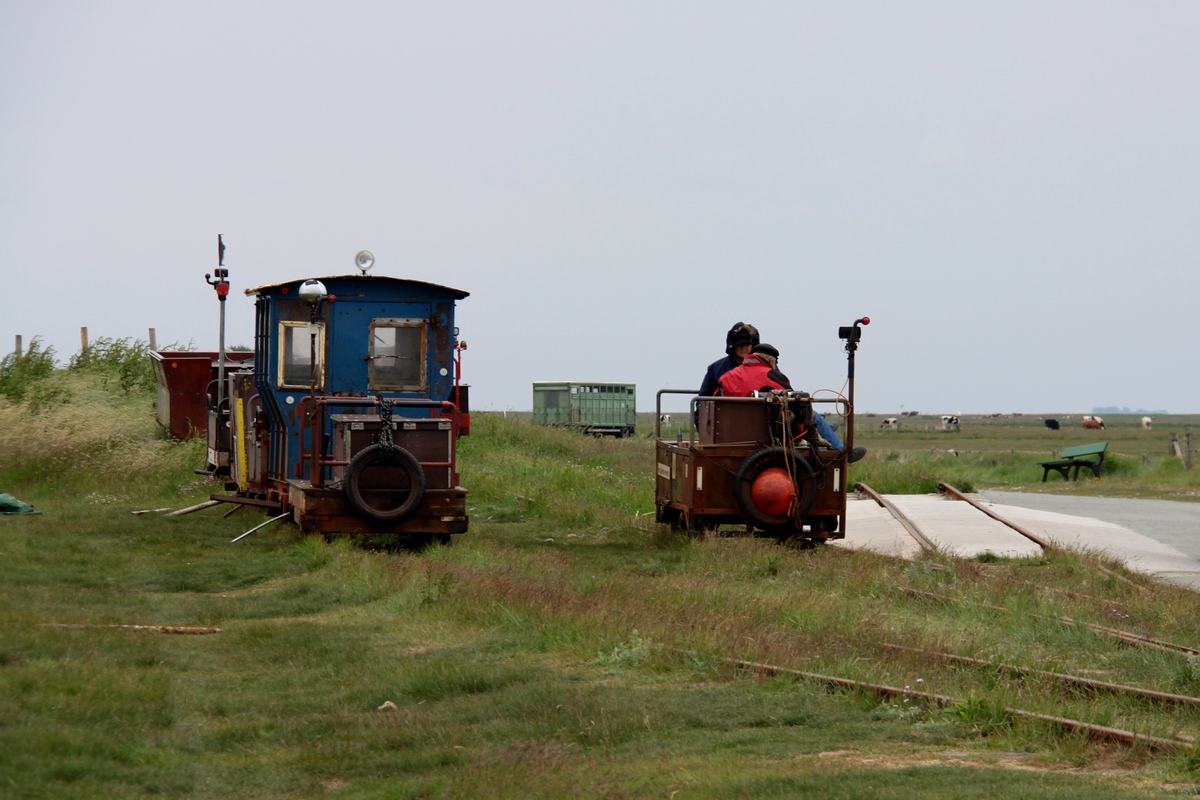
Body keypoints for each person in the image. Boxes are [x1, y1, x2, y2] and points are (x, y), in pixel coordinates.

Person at [717, 343, 866, 464]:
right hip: (769, 435)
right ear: (771, 361)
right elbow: (797, 406)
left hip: (731, 436)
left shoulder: (726, 377)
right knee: (812, 415)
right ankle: (842, 453)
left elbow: (715, 404)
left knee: (815, 418)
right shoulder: (773, 375)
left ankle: (824, 428)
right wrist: (807, 430)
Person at [699, 321, 759, 399]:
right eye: (740, 344)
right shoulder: (715, 369)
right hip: (722, 410)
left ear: (753, 345)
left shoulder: (767, 367)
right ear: (732, 346)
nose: (743, 347)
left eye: (747, 344)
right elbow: (703, 399)